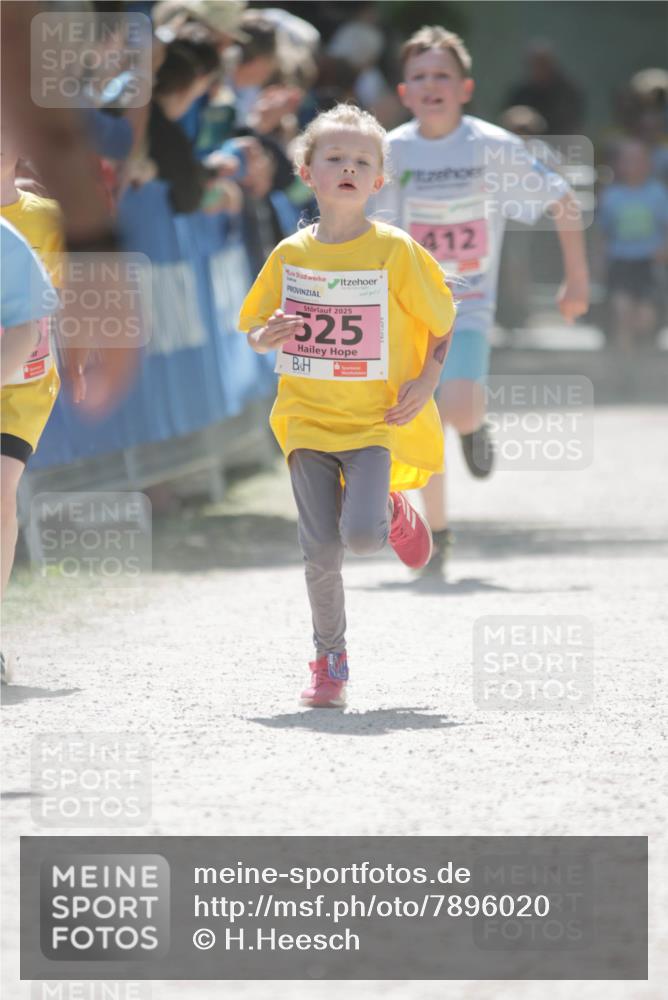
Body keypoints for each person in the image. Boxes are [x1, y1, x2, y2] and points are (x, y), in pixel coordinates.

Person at [238, 104, 455, 709]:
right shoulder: (290, 255)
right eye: (334, 157)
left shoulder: (395, 252)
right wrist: (268, 336)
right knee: (321, 549)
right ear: (307, 173)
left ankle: (388, 510)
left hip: (372, 422)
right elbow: (254, 329)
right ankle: (328, 661)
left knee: (361, 537)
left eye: (363, 161)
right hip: (306, 419)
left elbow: (442, 321)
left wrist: (427, 380)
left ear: (379, 181)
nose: (348, 168)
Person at [372, 26, 590, 576]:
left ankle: (475, 426)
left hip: (465, 305)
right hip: (405, 311)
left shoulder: (491, 146)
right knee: (421, 421)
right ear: (404, 93)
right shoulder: (390, 152)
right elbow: (361, 229)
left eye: (442, 74)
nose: (431, 85)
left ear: (465, 87)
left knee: (460, 406)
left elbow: (563, 202)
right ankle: (438, 534)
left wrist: (576, 283)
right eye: (419, 77)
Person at [597, 139, 668, 350]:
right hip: (620, 263)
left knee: (646, 317)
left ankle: (646, 362)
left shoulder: (658, 194)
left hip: (649, 264)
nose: (633, 165)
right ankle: (625, 369)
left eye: (638, 160)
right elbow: (603, 234)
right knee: (622, 313)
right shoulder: (611, 196)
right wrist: (598, 264)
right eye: (627, 160)